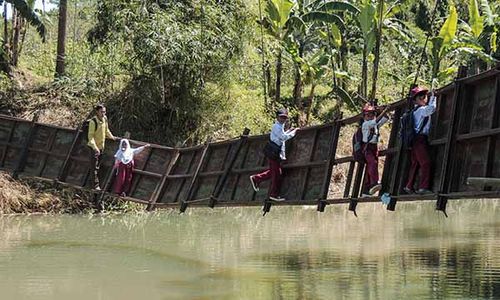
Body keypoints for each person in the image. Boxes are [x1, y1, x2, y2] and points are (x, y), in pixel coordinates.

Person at [249, 108, 298, 201]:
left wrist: (289, 131)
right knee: (277, 174)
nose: (283, 119)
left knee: (274, 172)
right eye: (281, 117)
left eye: (285, 117)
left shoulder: (280, 126)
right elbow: (283, 137)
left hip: (275, 153)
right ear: (277, 117)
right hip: (273, 153)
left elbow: (281, 135)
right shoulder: (276, 126)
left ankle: (256, 178)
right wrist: (293, 133)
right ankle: (273, 194)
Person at [403, 86, 436, 194]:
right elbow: (431, 110)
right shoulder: (421, 110)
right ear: (415, 100)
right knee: (425, 162)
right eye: (420, 97)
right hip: (419, 139)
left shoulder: (414, 111)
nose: (424, 98)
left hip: (415, 140)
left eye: (425, 96)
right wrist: (433, 97)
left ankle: (409, 186)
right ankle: (423, 187)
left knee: (415, 163)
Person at [360, 103, 389, 197]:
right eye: (368, 115)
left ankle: (366, 190)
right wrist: (384, 110)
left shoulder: (374, 124)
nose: (370, 116)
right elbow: (376, 121)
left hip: (374, 147)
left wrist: (382, 110)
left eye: (372, 114)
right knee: (372, 163)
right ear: (364, 116)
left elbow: (385, 118)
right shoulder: (365, 124)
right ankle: (374, 183)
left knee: (370, 166)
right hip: (367, 147)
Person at [87, 104, 115, 190]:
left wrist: (112, 137)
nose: (103, 113)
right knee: (94, 167)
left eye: (104, 112)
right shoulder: (93, 122)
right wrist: (95, 148)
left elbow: (106, 130)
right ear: (97, 112)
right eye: (101, 112)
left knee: (98, 166)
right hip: (94, 148)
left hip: (101, 147)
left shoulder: (105, 119)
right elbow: (90, 137)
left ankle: (93, 183)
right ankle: (95, 186)